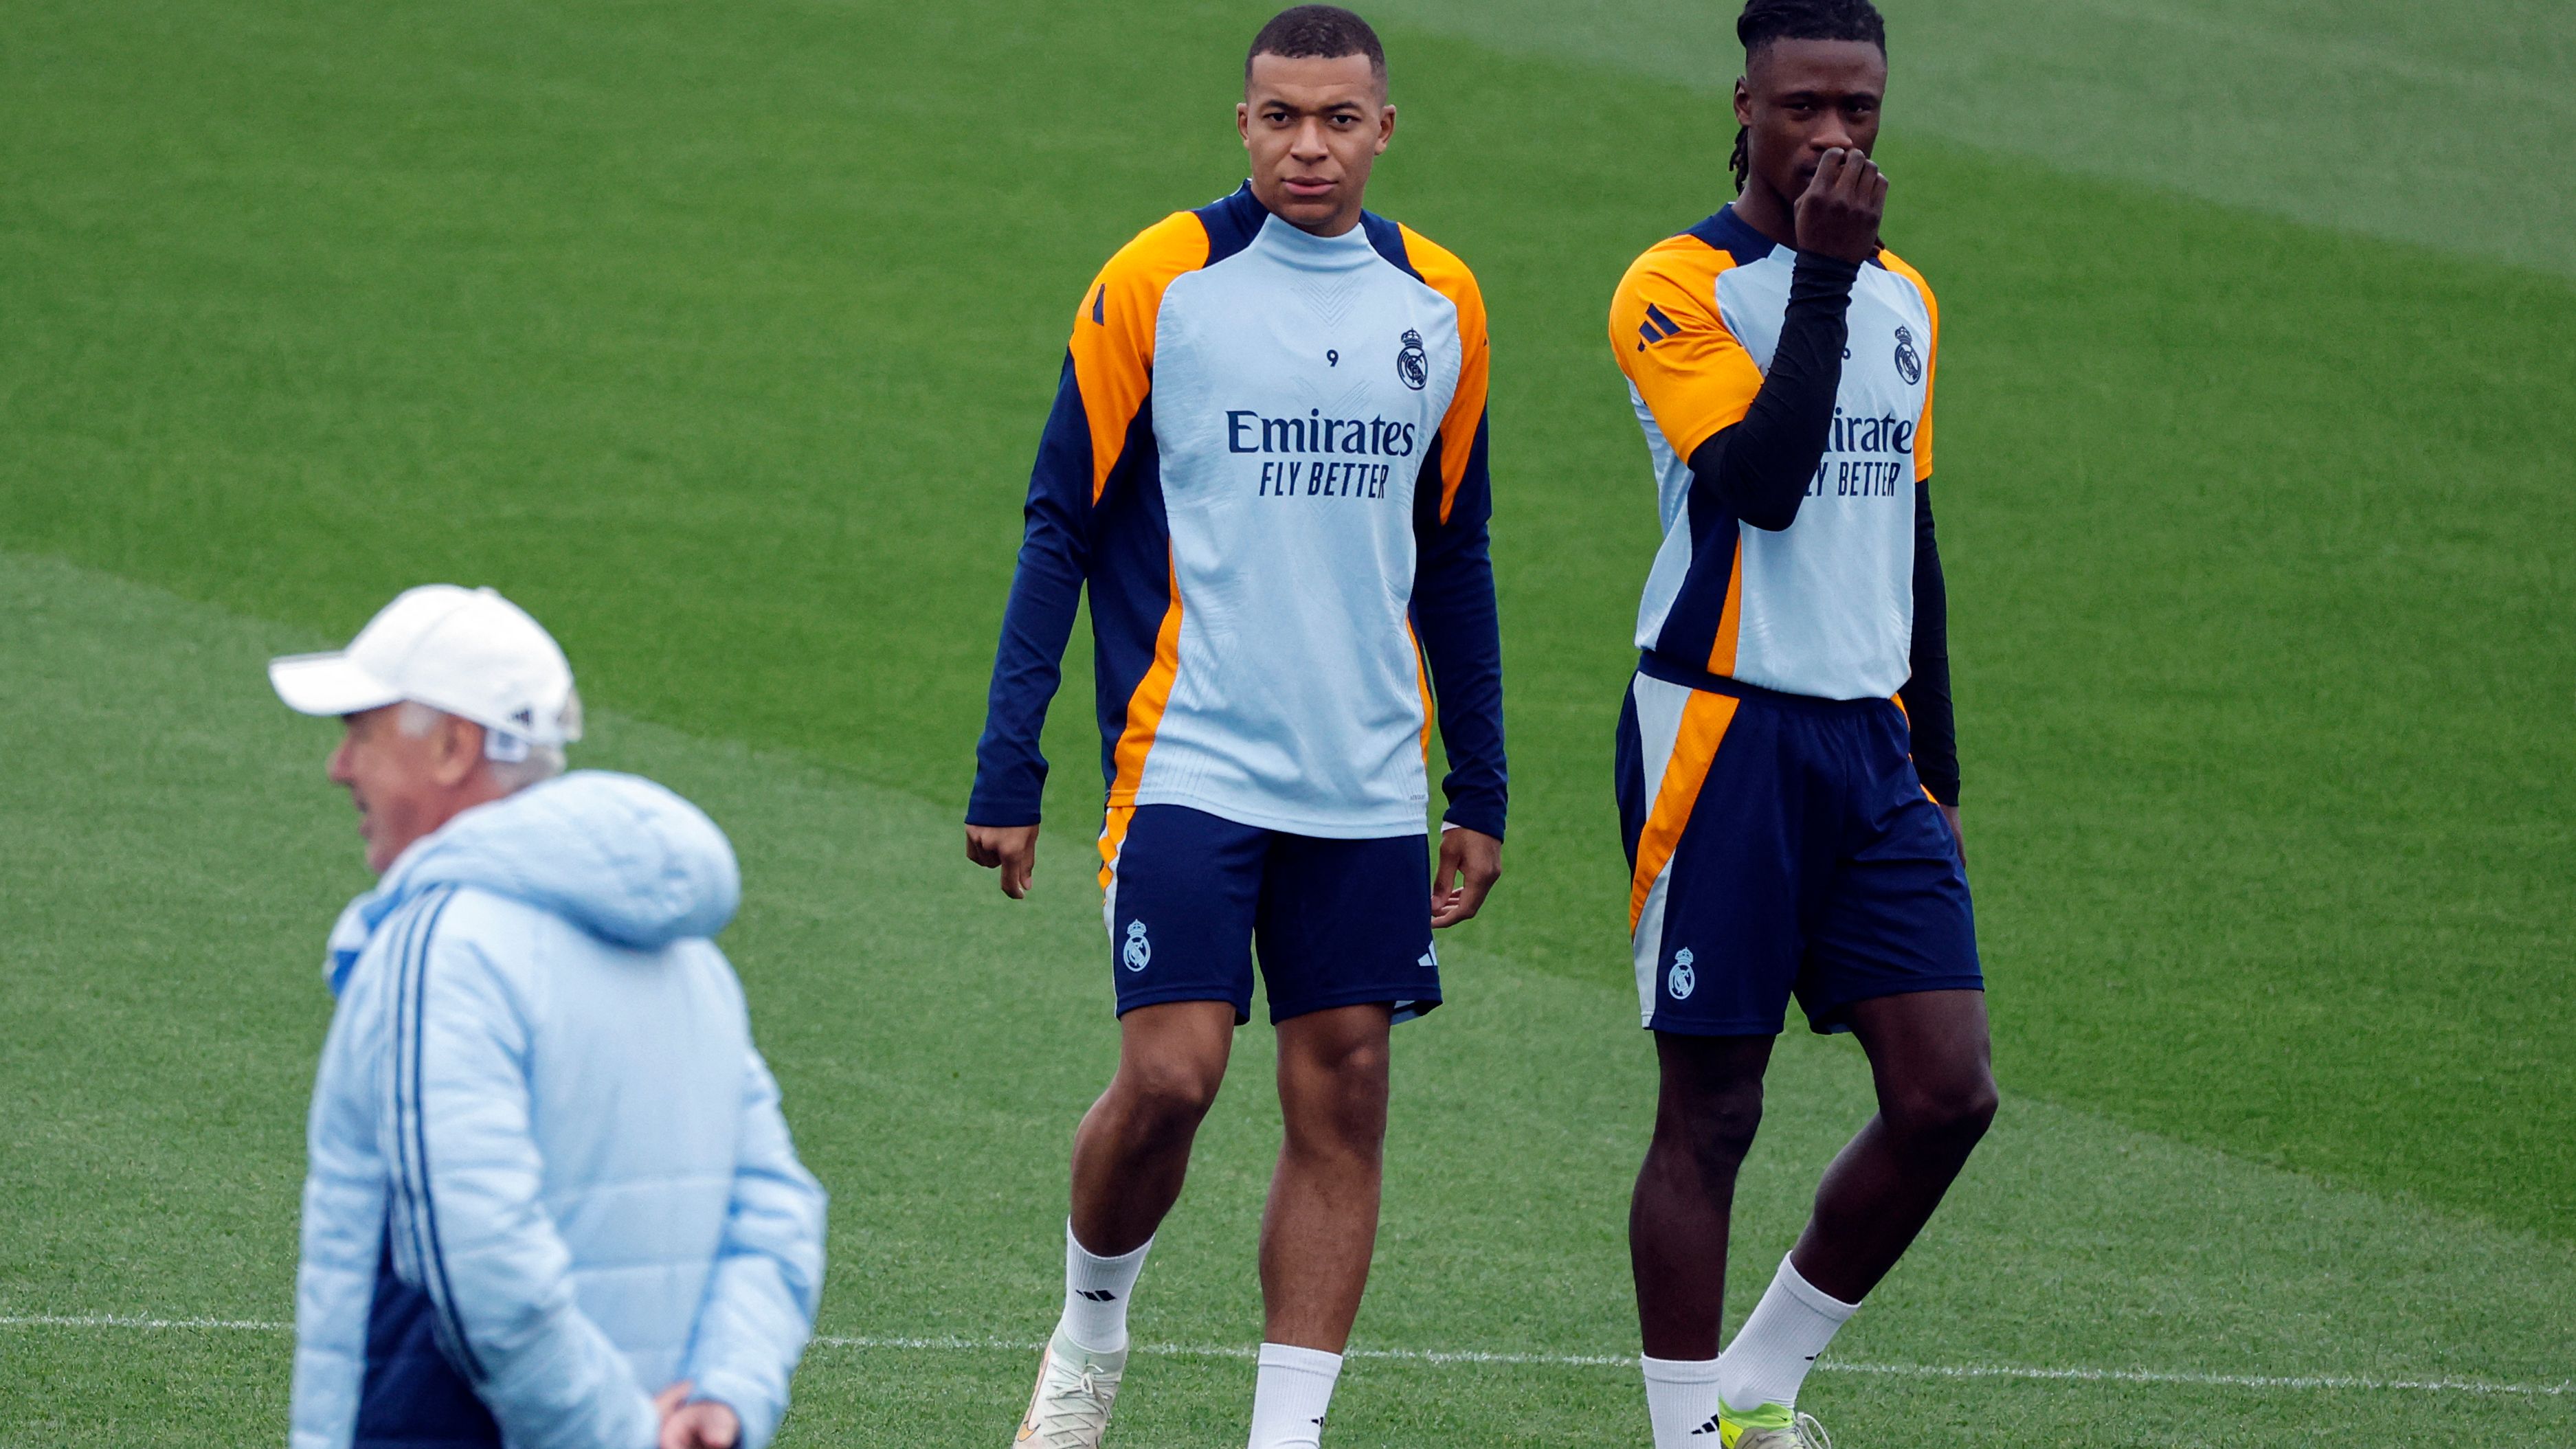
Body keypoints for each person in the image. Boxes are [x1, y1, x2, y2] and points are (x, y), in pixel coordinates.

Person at [962, 7, 1508, 1446]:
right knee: (1171, 1075)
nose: (1307, 146)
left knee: (1346, 1093)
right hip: (1186, 758)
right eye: (1279, 117)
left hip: (1370, 774)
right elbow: (1055, 520)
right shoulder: (1163, 279)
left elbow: (1453, 549)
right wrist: (1006, 756)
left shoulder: (1439, 300)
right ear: (1241, 122)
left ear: (1384, 127)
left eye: (1337, 119)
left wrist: (1482, 784)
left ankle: (1287, 1433)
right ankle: (1089, 1337)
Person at [1603, 2, 1997, 1445]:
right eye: (1802, 108)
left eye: (1858, 109)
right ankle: (1678, 1431)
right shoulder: (1673, 285)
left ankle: (1758, 1380)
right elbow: (1760, 483)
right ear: (1743, 105)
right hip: (1719, 735)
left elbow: (1911, 530)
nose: (1833, 136)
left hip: (1867, 744)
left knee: (1945, 1092)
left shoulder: (1907, 295)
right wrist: (1819, 281)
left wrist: (1935, 764)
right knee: (1711, 1106)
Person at [273, 584, 828, 1449]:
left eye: (362, 734)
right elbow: (775, 1213)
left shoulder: (438, 949)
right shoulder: (693, 965)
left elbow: (478, 1262)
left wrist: (612, 1435)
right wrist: (725, 1398)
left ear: (454, 748)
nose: (339, 768)